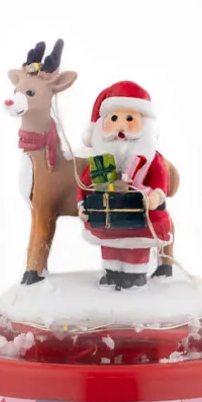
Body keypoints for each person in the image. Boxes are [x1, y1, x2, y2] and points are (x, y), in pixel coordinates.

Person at [77, 81, 171, 290]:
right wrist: (82, 205)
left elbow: (160, 180)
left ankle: (134, 274)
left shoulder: (150, 157)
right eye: (114, 118)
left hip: (140, 216)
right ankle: (111, 272)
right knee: (110, 245)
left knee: (135, 245)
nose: (121, 126)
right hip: (106, 216)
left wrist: (155, 197)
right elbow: (84, 183)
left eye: (129, 119)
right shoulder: (100, 159)